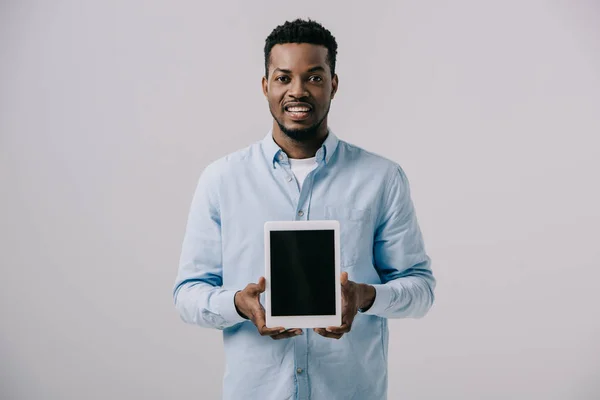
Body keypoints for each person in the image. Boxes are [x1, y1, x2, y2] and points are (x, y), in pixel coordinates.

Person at [173, 18, 436, 400]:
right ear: (265, 86)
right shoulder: (221, 180)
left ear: (334, 84)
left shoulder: (382, 178)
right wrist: (238, 304)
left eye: (314, 77)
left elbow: (420, 288)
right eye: (283, 78)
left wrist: (366, 297)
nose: (298, 91)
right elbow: (187, 294)